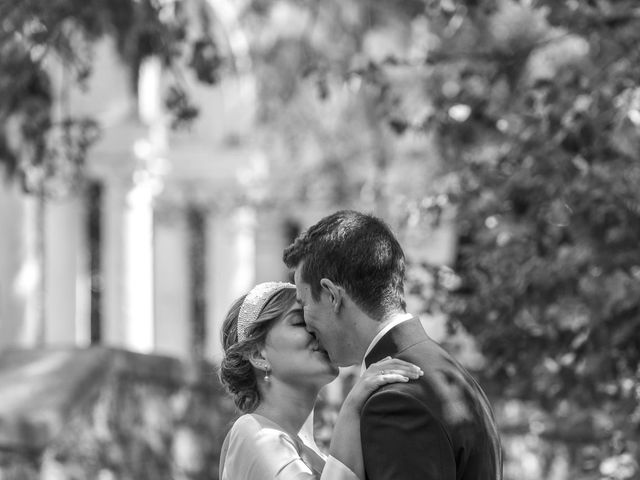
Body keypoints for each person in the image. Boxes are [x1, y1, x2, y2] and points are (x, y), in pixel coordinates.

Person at [283, 210, 503, 480]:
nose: (306, 325)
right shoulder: (451, 375)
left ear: (331, 296)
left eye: (304, 304)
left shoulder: (395, 401)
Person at [218, 281, 423, 480]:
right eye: (300, 322)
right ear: (258, 355)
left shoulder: (321, 454)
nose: (318, 331)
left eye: (316, 321)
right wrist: (351, 408)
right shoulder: (252, 432)